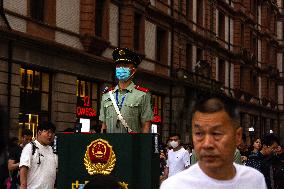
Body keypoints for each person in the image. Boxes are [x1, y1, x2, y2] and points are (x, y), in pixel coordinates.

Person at [160, 96, 266, 189]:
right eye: (199, 133)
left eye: (216, 133)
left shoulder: (254, 180)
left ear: (237, 136)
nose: (207, 144)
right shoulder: (173, 186)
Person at [99, 48, 153, 133]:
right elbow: (104, 125)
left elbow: (146, 125)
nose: (121, 69)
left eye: (125, 65)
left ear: (134, 70)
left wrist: (142, 145)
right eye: (118, 66)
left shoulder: (142, 94)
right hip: (110, 143)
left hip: (131, 144)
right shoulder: (107, 95)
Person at [19, 122, 57, 189]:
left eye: (52, 133)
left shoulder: (52, 150)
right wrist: (23, 186)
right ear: (39, 133)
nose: (50, 135)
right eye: (48, 132)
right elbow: (23, 168)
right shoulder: (30, 147)